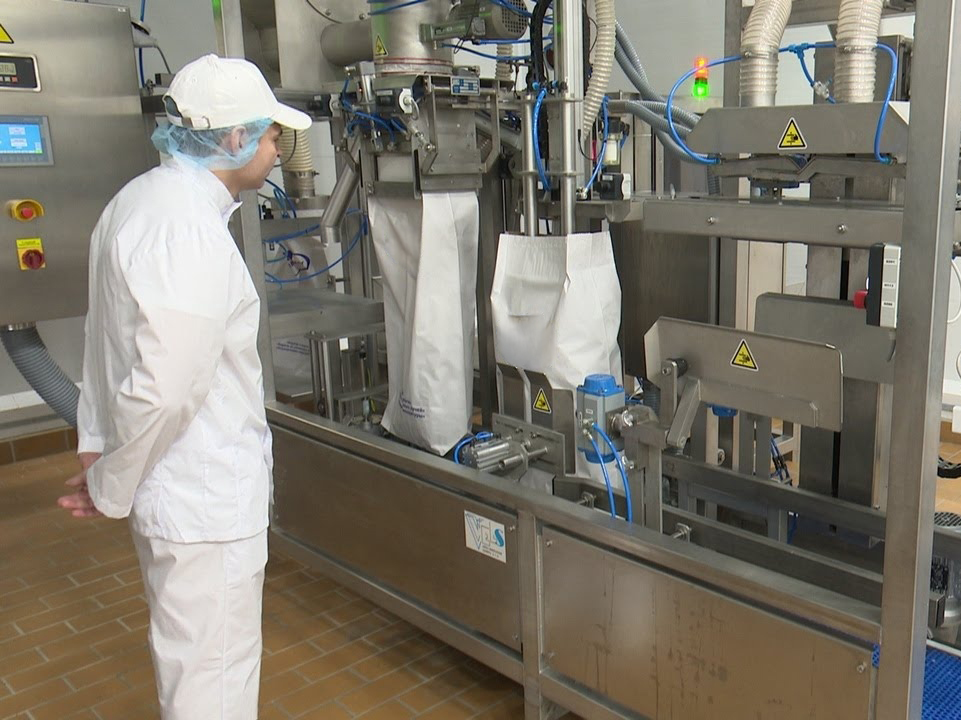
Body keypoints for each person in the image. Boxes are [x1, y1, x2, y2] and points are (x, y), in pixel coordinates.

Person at [57, 54, 311, 720]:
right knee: (213, 679)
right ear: (234, 138)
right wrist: (111, 482)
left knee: (192, 663)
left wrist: (101, 449)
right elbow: (166, 387)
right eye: (270, 135)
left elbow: (103, 342)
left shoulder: (140, 200)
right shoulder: (186, 231)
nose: (277, 148)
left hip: (176, 491)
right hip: (202, 497)